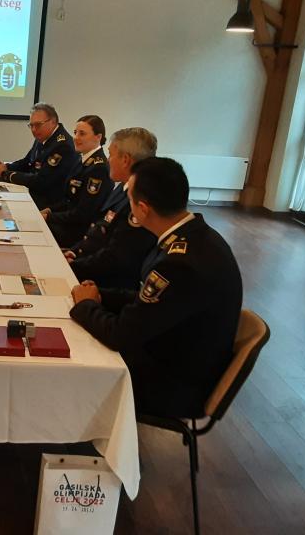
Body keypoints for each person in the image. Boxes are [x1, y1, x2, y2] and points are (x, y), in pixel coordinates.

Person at [69, 157, 242, 418]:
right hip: (175, 351)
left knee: (72, 359)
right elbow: (149, 301)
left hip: (171, 383)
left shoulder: (181, 262)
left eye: (129, 200)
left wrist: (86, 305)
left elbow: (120, 335)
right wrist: (101, 295)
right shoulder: (195, 235)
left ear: (142, 209)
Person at [66, 127, 157, 290]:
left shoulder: (139, 200)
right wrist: (74, 252)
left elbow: (115, 257)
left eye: (111, 154)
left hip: (106, 284)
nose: (108, 160)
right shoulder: (123, 187)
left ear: (125, 160)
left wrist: (72, 266)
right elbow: (98, 229)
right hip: (89, 264)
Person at [40, 115, 112, 248]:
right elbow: (69, 200)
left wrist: (49, 217)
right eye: (75, 133)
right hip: (67, 222)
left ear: (98, 137)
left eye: (82, 134)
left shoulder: (99, 168)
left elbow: (83, 214)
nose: (76, 137)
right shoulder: (82, 159)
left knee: (34, 230)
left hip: (76, 232)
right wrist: (49, 210)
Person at [0, 103, 76, 209]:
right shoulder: (44, 137)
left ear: (53, 122)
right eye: (31, 125)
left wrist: (4, 173)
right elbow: (27, 162)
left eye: (38, 125)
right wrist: (6, 167)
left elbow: (41, 182)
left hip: (48, 205)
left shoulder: (62, 146)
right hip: (35, 195)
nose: (33, 129)